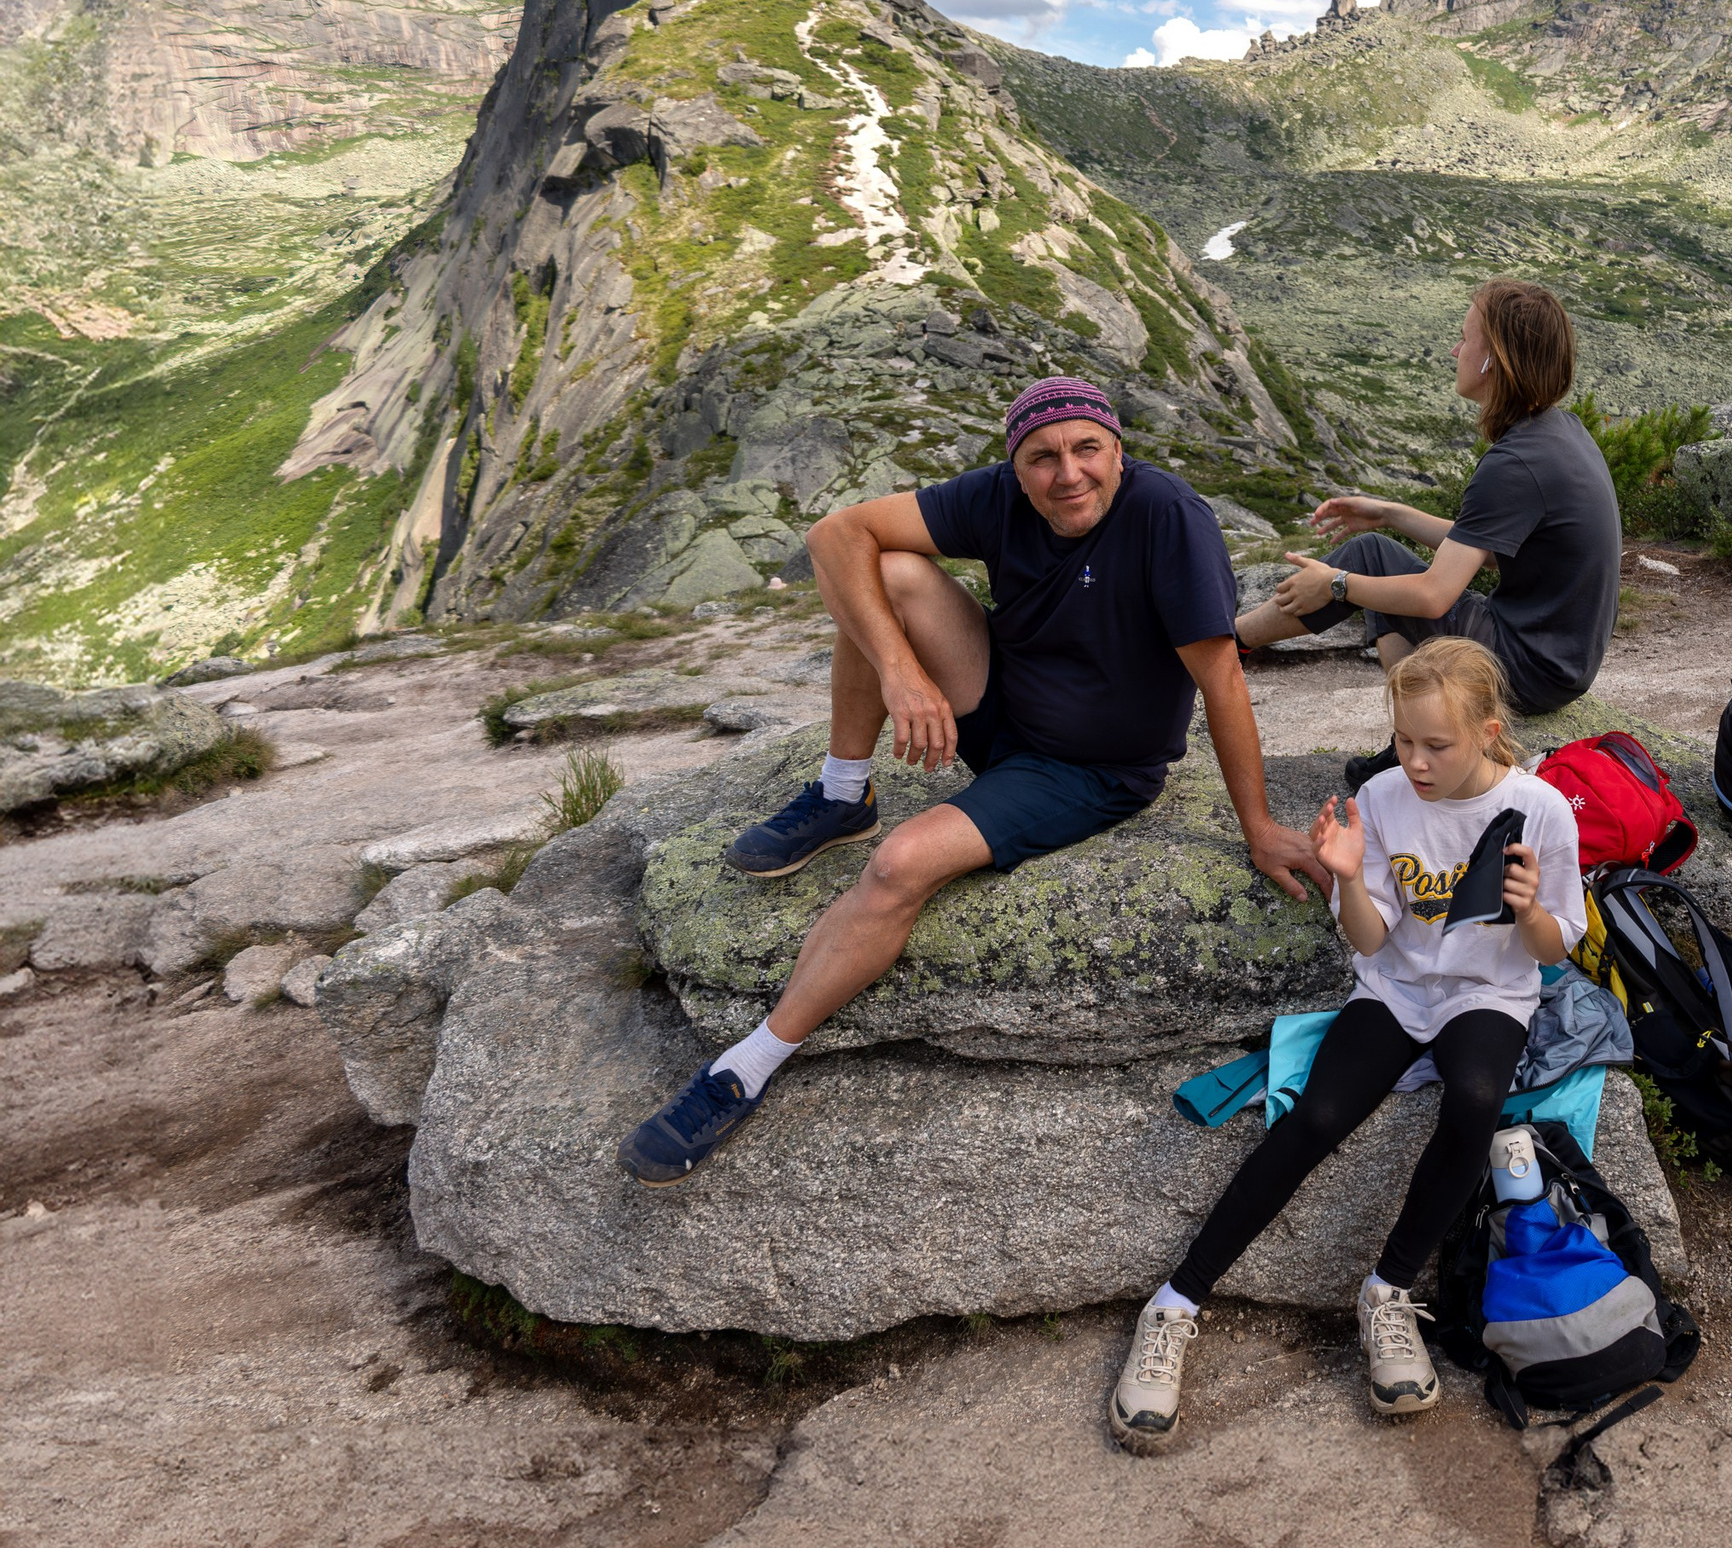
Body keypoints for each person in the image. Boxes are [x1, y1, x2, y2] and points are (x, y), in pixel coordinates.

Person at [617, 375, 1324, 1185]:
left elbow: (1223, 679)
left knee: (898, 865)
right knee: (882, 578)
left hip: (1088, 771)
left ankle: (743, 1068)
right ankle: (844, 791)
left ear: (1118, 452)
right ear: (1015, 469)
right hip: (1001, 705)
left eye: (1088, 449)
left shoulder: (1167, 518)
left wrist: (1259, 826)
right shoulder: (999, 497)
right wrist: (900, 675)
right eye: (1043, 457)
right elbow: (833, 533)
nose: (1069, 473)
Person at [1109, 637, 1585, 1449]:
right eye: (1404, 739)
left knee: (1475, 1097)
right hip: (1397, 988)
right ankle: (1176, 1302)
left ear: (1488, 730)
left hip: (1487, 990)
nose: (1417, 760)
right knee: (1319, 1113)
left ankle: (1388, 1290)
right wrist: (1348, 875)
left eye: (1437, 744)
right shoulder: (1387, 795)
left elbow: (1553, 949)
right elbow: (1371, 943)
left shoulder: (1539, 809)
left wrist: (1532, 909)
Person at [1235, 279, 1621, 788]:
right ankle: (1409, 736)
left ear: (1495, 358)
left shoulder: (1515, 463)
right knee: (1375, 552)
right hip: (1561, 658)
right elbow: (1482, 552)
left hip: (1530, 670)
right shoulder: (1557, 431)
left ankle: (1224, 643)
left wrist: (1334, 583)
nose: (1455, 349)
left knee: (1368, 563)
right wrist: (1391, 513)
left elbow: (1436, 595)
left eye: (1466, 338)